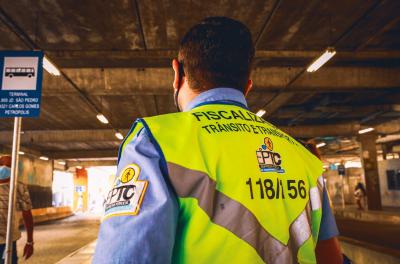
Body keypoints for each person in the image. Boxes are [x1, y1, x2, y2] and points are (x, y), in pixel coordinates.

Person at [94, 17, 343, 264]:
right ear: (247, 85)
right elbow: (331, 258)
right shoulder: (303, 158)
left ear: (177, 73)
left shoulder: (155, 143)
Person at [0, 155, 34, 263]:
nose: (4, 167)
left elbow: (27, 214)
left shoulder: (19, 188)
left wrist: (30, 242)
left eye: (8, 165)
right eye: (1, 164)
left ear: (14, 169)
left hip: (8, 241)